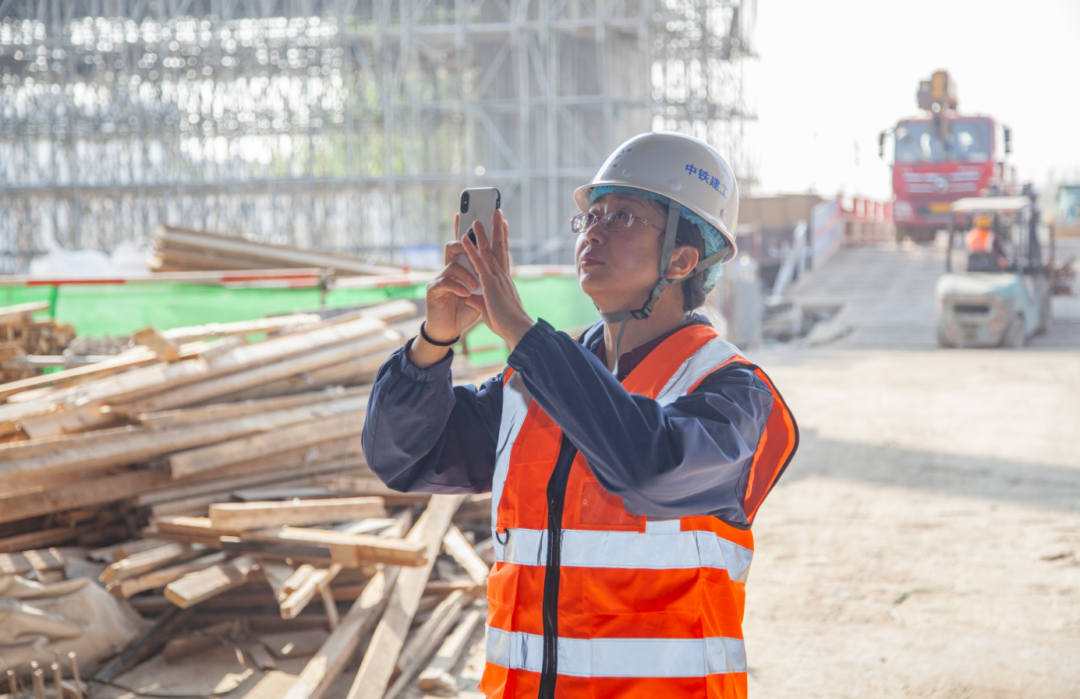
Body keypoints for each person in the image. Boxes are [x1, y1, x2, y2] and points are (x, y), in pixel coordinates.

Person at [362, 132, 799, 699]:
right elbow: (402, 457)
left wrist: (522, 330)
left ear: (683, 259)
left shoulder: (732, 393)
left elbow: (648, 468)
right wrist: (434, 341)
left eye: (623, 217)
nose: (593, 230)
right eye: (591, 216)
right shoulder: (534, 383)